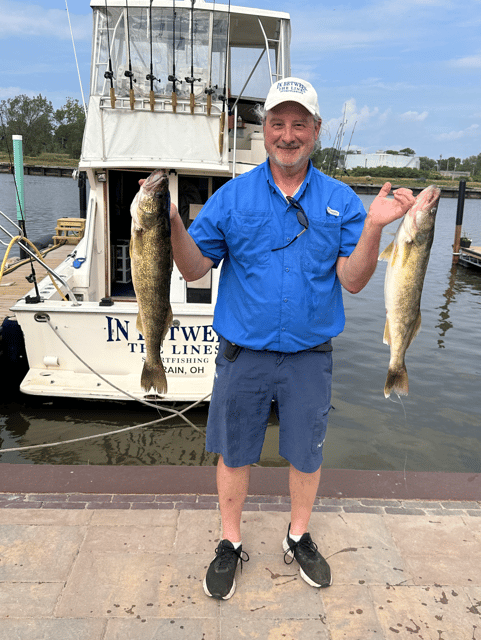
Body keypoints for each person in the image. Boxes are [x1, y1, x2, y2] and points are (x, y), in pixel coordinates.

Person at [168, 77, 415, 599]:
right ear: (264, 132)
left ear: (316, 131)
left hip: (309, 356)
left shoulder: (342, 200)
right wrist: (168, 222)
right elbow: (192, 269)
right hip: (244, 355)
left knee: (306, 453)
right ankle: (230, 541)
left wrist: (374, 225)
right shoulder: (232, 197)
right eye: (277, 123)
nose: (287, 134)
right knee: (234, 453)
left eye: (298, 123)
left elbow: (353, 279)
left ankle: (298, 534)